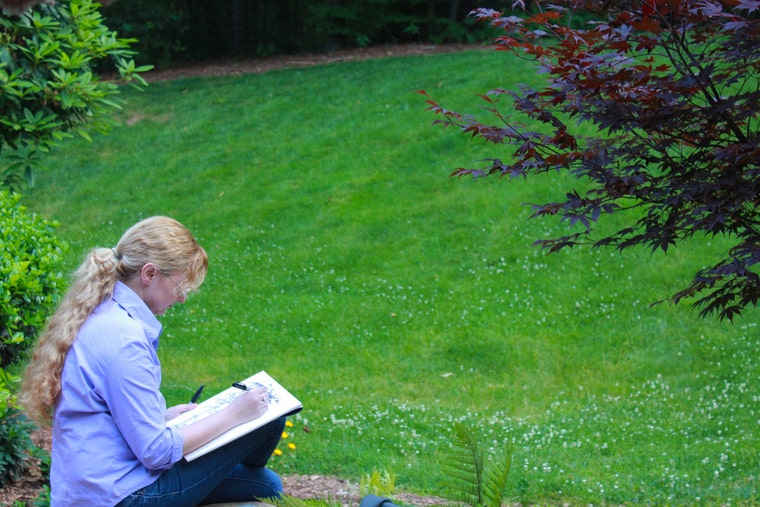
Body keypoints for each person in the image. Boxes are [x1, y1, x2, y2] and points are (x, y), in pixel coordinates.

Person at [20, 216, 285, 506]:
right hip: (123, 497)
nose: (182, 299)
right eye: (181, 287)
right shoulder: (126, 340)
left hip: (92, 490)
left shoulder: (102, 313)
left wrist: (161, 418)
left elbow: (104, 412)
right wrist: (234, 415)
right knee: (269, 417)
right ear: (149, 274)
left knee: (265, 484)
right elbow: (156, 452)